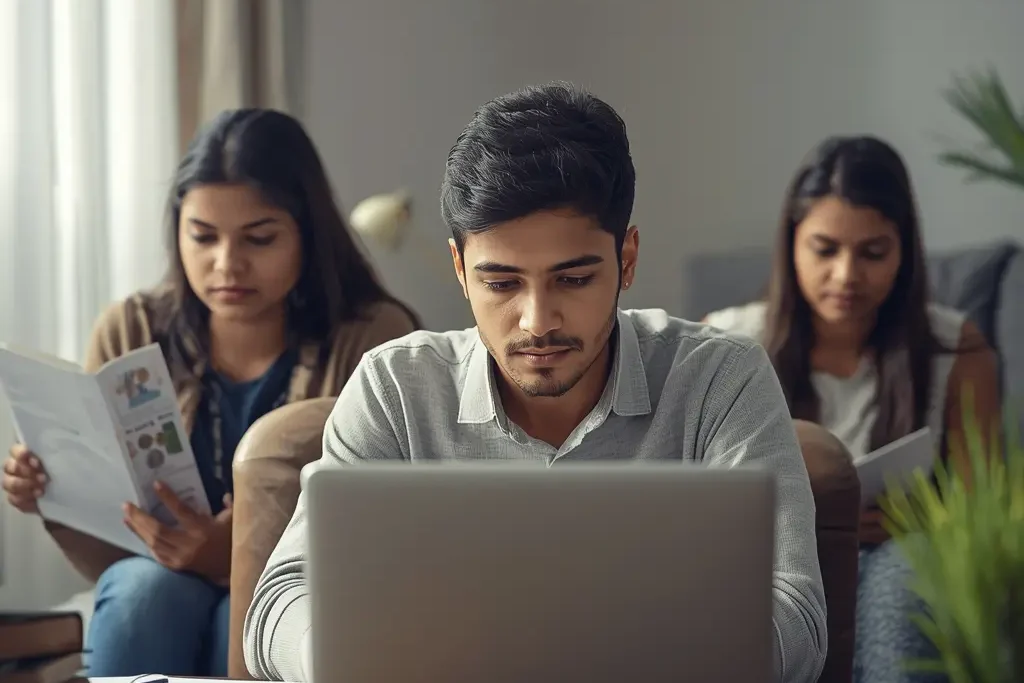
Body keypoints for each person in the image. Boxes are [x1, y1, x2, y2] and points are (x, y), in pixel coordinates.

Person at [244, 83, 827, 683]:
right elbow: (279, 601)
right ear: (459, 270)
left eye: (573, 279)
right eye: (501, 284)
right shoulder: (395, 388)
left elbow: (796, 621)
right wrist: (347, 657)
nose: (537, 321)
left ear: (627, 259)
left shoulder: (719, 379)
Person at [1, 108, 419, 678]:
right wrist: (51, 484)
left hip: (299, 580)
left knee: (248, 619)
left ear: (308, 232)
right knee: (141, 595)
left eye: (260, 238)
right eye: (202, 236)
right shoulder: (133, 329)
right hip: (151, 575)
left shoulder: (374, 339)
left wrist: (236, 555)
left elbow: (392, 528)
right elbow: (108, 527)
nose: (227, 265)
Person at [703, 136, 1002, 683]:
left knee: (903, 584)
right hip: (770, 561)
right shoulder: (725, 345)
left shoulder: (954, 350)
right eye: (825, 249)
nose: (846, 276)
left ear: (904, 250)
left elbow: (979, 513)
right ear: (792, 244)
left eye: (872, 252)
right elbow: (691, 500)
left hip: (898, 551)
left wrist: (914, 520)